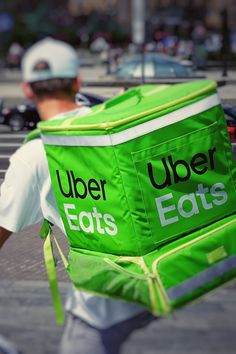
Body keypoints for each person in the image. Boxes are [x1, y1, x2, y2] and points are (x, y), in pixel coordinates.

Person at [0, 38, 155, 354]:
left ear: (28, 90)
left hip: (108, 295)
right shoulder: (111, 128)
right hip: (167, 273)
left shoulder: (36, 154)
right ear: (77, 82)